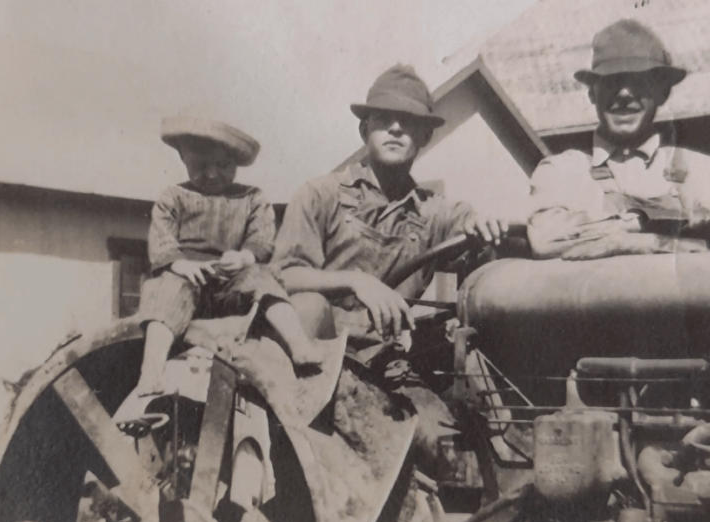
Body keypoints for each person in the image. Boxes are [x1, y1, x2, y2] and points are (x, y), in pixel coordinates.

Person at [273, 64, 507, 350]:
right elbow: (284, 276)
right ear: (364, 129)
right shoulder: (319, 195)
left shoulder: (435, 212)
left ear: (424, 137)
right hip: (317, 350)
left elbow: (475, 234)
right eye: (383, 119)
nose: (395, 129)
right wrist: (356, 281)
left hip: (388, 358)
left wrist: (486, 225)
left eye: (407, 121)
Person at [116, 116, 324, 424]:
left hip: (231, 280)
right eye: (200, 164)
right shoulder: (173, 198)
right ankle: (152, 368)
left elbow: (263, 238)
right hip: (186, 279)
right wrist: (179, 263)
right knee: (164, 292)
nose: (212, 174)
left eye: (223, 165)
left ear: (237, 165)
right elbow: (161, 242)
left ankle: (299, 344)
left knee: (263, 280)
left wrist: (244, 257)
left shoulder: (252, 199)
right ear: (183, 158)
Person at [527, 19, 710, 260]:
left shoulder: (700, 172)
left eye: (639, 82)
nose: (625, 94)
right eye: (612, 82)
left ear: (662, 92)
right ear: (592, 93)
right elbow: (545, 240)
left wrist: (623, 238)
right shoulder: (563, 171)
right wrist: (641, 230)